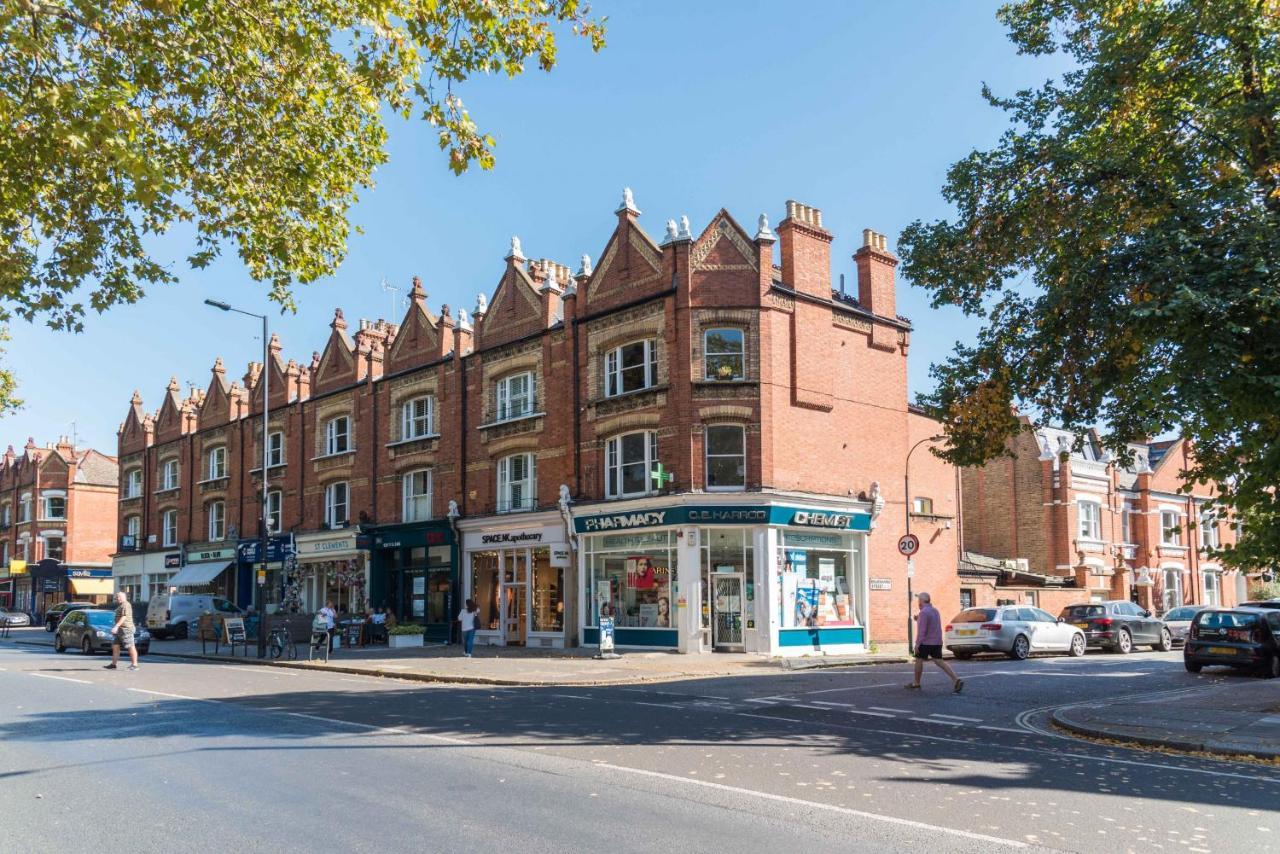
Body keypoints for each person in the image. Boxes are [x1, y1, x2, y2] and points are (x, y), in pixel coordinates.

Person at [905, 591, 962, 693]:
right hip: (937, 641)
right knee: (939, 661)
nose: (918, 602)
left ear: (921, 601)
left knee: (919, 660)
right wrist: (919, 619)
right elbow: (932, 624)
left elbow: (922, 631)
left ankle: (916, 683)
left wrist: (917, 644)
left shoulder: (923, 612)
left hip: (926, 642)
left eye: (919, 600)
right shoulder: (935, 611)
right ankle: (955, 679)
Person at [105, 591, 138, 671]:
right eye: (117, 597)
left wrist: (116, 626)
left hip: (126, 629)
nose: (118, 598)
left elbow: (124, 617)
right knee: (115, 646)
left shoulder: (126, 605)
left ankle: (135, 665)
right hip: (120, 630)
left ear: (125, 597)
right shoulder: (121, 605)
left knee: (130, 646)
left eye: (119, 597)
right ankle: (113, 664)